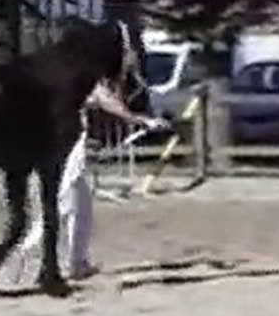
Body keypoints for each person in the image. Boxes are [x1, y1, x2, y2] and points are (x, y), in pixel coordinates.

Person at [12, 77, 167, 282]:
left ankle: (78, 264)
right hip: (65, 153)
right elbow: (106, 101)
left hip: (60, 150)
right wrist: (141, 120)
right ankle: (28, 252)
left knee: (81, 209)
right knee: (61, 207)